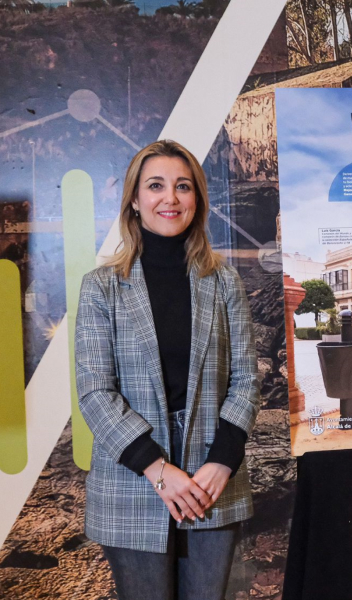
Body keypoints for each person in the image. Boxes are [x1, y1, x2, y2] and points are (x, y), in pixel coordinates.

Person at [75, 140, 260, 600]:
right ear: (135, 201)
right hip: (133, 481)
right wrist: (158, 470)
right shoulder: (101, 287)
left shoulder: (223, 281)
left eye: (183, 187)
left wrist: (222, 459)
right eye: (155, 186)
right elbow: (96, 392)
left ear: (197, 200)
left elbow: (246, 378)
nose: (170, 198)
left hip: (210, 483)